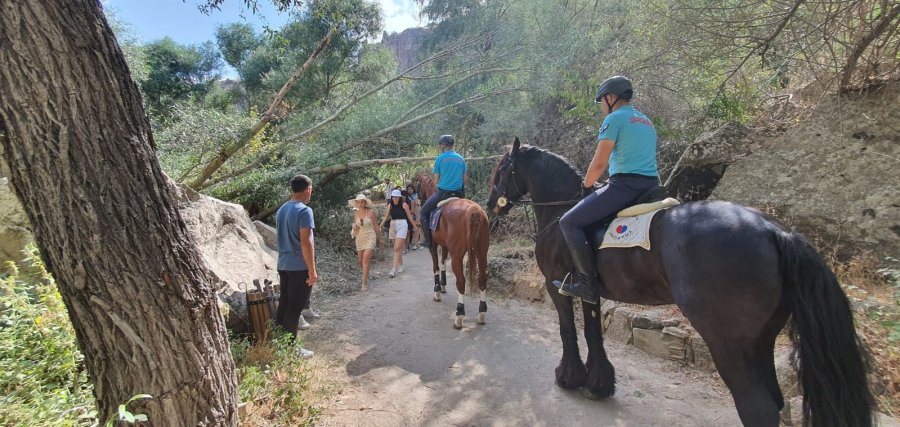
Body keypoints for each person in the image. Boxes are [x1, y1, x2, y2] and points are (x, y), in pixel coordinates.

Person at [552, 76, 660, 305]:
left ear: (611, 98)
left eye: (601, 100)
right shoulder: (646, 121)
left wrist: (587, 185)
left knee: (569, 222)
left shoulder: (614, 119)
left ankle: (587, 284)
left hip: (625, 186)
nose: (601, 106)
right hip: (652, 186)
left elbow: (599, 164)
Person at [275, 174, 318, 358]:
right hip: (298, 266)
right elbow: (306, 242)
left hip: (283, 264)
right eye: (311, 190)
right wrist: (312, 269)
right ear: (308, 189)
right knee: (294, 309)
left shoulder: (282, 210)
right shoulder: (304, 210)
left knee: (284, 306)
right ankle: (292, 350)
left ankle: (280, 346)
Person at [419, 135, 467, 247]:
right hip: (459, 193)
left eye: (441, 144)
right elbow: (465, 180)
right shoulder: (461, 159)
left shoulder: (440, 159)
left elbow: (436, 181)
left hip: (443, 193)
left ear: (444, 145)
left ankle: (428, 240)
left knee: (423, 213)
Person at [380, 189, 418, 277]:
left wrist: (415, 227)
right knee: (396, 248)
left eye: (397, 197)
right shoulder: (390, 206)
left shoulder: (404, 205)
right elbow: (386, 217)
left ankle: (393, 269)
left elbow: (409, 216)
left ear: (400, 197)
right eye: (393, 197)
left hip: (402, 224)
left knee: (397, 248)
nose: (395, 198)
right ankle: (401, 264)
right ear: (392, 197)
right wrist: (380, 225)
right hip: (392, 225)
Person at [349, 193, 380, 290]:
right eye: (358, 202)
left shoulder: (371, 212)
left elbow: (376, 226)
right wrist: (354, 226)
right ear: (356, 203)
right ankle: (366, 273)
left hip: (370, 236)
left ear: (365, 203)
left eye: (362, 202)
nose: (360, 204)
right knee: (360, 261)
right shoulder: (355, 213)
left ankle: (364, 284)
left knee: (366, 259)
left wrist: (380, 239)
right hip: (360, 237)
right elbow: (357, 226)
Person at [405, 184, 422, 250]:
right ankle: (412, 243)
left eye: (411, 189)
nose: (410, 190)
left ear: (413, 189)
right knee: (411, 229)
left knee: (417, 229)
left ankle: (416, 243)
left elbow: (419, 204)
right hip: (410, 214)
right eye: (408, 189)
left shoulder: (417, 195)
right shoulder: (406, 197)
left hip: (417, 213)